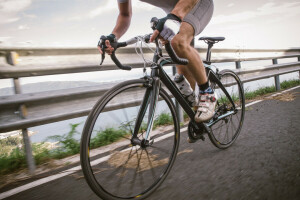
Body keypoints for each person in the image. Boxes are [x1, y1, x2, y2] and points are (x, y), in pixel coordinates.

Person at [98, 0, 215, 132]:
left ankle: (208, 93)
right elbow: (125, 15)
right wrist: (114, 36)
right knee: (182, 75)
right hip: (174, 10)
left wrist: (176, 16)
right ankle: (199, 116)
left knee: (178, 42)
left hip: (196, 4)